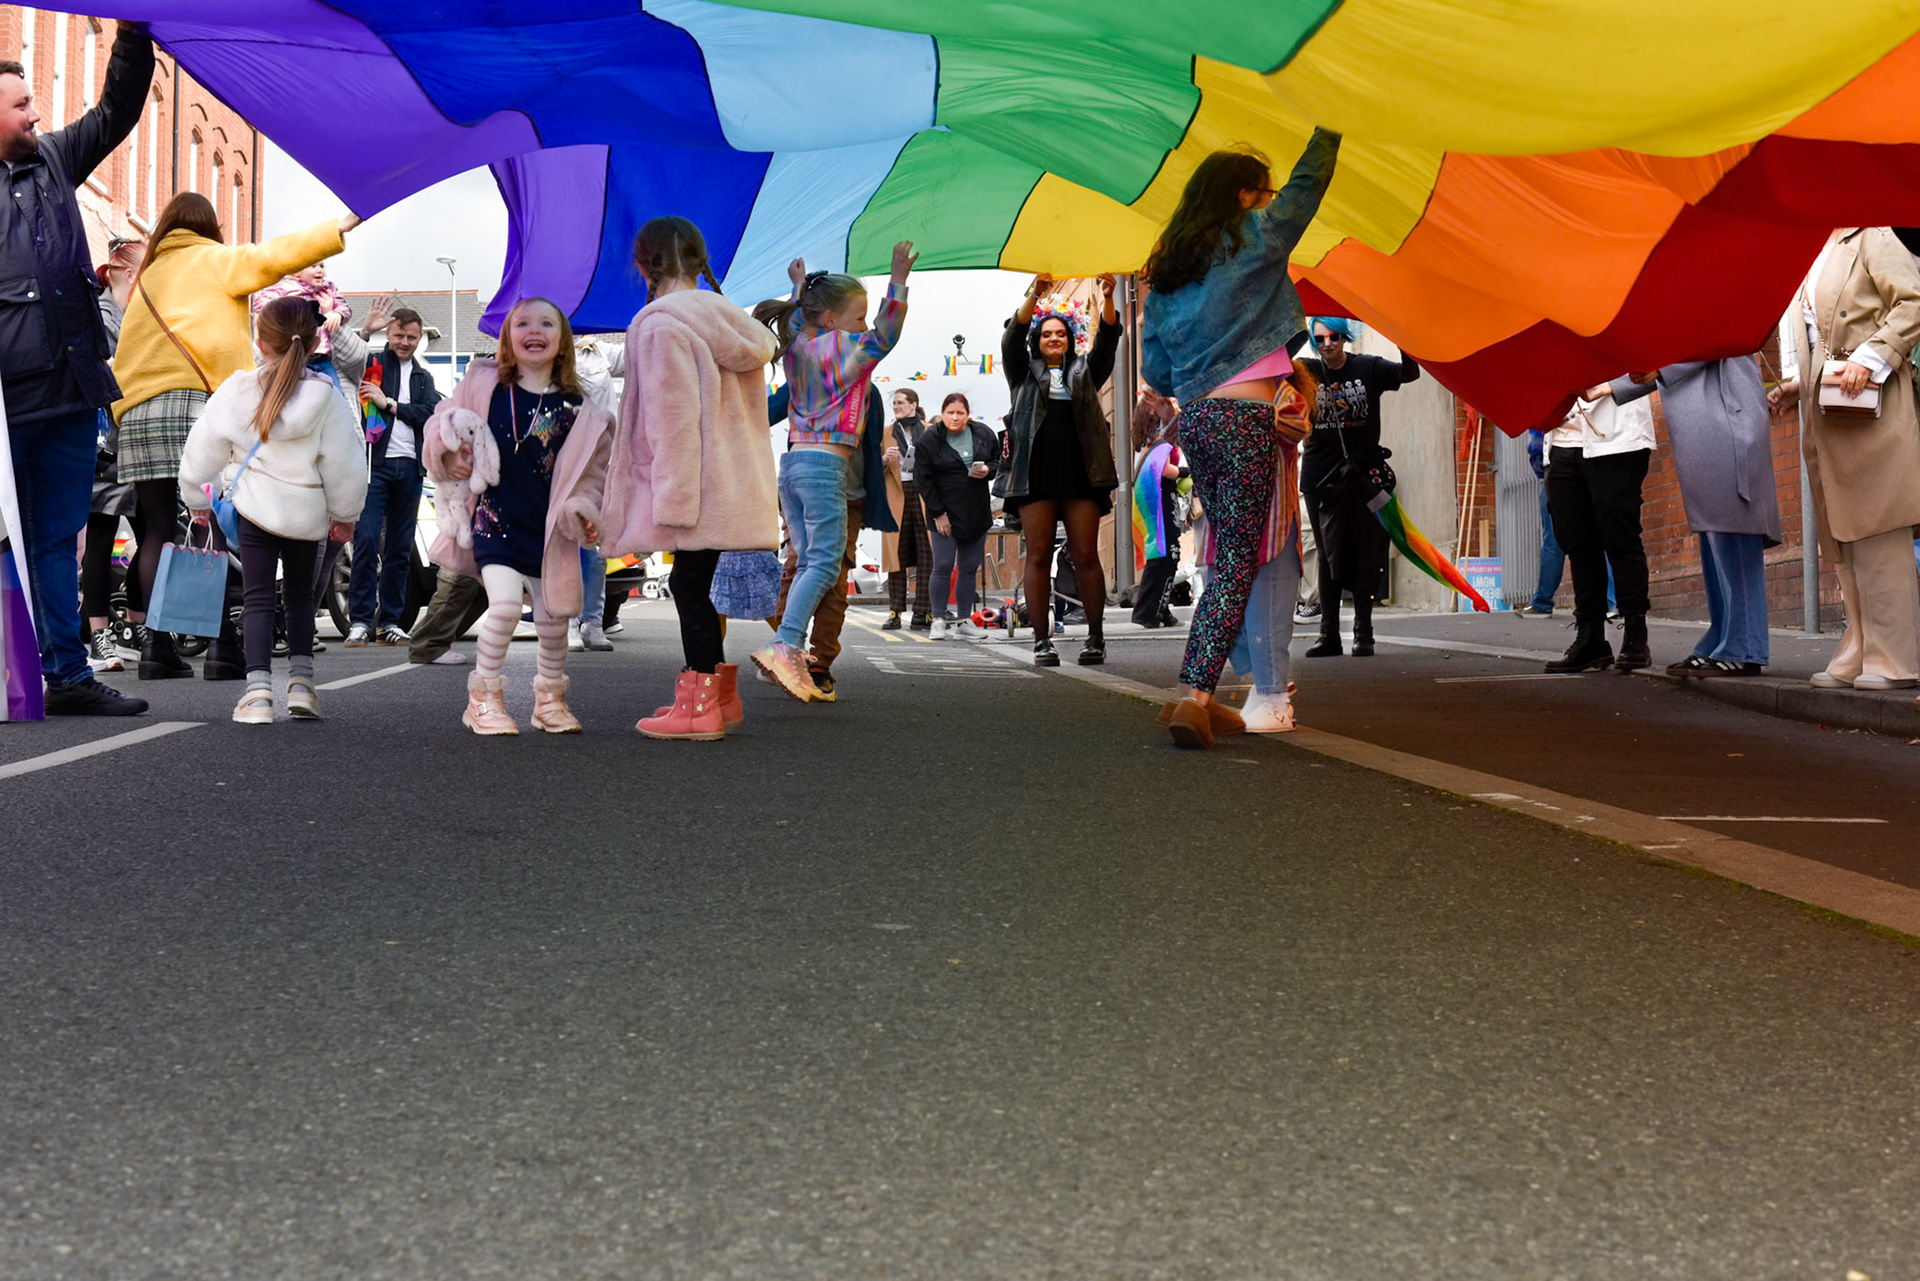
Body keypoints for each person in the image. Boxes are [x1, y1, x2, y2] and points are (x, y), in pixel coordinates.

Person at [1141, 127, 1341, 748]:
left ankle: (1206, 695)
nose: (1272, 200)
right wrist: (1329, 126)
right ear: (1243, 195)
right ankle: (1195, 695)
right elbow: (1309, 189)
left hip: (1198, 421)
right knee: (1237, 563)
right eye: (1264, 192)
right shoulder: (1255, 235)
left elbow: (1156, 371)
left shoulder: (1169, 272)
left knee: (1229, 554)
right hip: (1251, 419)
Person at [113, 191, 359, 682]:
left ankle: (156, 649)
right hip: (195, 400)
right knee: (218, 523)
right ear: (209, 226)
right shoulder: (214, 260)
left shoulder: (147, 277)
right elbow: (273, 256)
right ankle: (223, 647)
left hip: (139, 410)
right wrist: (340, 227)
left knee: (157, 529)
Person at [1, 24, 154, 716]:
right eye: (22, 103)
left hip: (68, 389)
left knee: (58, 537)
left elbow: (117, 110)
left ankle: (64, 674)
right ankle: (16, 672)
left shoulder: (57, 159)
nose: (37, 113)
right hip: (6, 402)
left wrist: (132, 27)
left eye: (34, 100)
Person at [599, 216, 780, 739]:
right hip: (736, 482)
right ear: (701, 261)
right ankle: (719, 700)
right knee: (696, 585)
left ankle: (700, 708)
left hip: (695, 485)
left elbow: (671, 420)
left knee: (689, 585)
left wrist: (673, 504)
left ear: (642, 264)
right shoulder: (731, 319)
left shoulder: (659, 324)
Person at [423, 298, 612, 735]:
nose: (534, 330)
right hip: (494, 521)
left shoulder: (579, 410)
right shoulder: (485, 386)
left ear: (562, 341)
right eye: (522, 322)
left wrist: (583, 509)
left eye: (547, 323)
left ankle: (549, 700)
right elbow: (441, 422)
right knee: (505, 607)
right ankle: (483, 698)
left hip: (549, 533)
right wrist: (447, 455)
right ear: (507, 337)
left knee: (553, 623)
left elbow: (591, 476)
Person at [177, 297, 367, 724]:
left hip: (254, 509)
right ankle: (302, 686)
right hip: (308, 512)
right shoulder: (326, 396)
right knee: (301, 599)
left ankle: (258, 694)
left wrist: (197, 499)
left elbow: (203, 447)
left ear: (260, 342)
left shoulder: (238, 390)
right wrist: (345, 514)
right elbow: (344, 461)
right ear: (318, 340)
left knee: (258, 599)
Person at [749, 243, 916, 702]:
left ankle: (788, 648)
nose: (864, 325)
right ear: (830, 320)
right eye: (857, 316)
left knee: (807, 562)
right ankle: (785, 647)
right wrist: (898, 278)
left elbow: (798, 320)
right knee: (825, 564)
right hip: (826, 467)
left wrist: (798, 288)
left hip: (794, 467)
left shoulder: (797, 349)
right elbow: (888, 332)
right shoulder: (851, 350)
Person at [1770, 226, 1920, 691]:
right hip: (1832, 408)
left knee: (1878, 529)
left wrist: (1873, 355)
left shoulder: (1871, 234)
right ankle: (1860, 646)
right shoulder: (1813, 247)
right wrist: (1798, 386)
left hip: (1873, 404)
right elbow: (1823, 338)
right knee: (1843, 538)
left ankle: (1896, 657)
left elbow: (1914, 301)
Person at [1000, 275, 1122, 666]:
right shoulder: (1021, 372)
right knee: (1037, 555)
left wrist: (1107, 299)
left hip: (1081, 475)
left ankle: (1096, 637)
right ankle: (1041, 640)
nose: (1054, 339)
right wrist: (1036, 296)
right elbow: (1009, 339)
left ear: (1070, 339)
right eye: (1047, 334)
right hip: (1034, 475)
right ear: (1037, 340)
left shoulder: (1086, 372)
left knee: (1085, 554)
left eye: (1061, 334)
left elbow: (1107, 342)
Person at [1647, 358, 1781, 678]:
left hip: (1725, 414)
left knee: (1732, 530)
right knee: (1715, 534)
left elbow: (1710, 337)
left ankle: (1743, 645)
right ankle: (1722, 636)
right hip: (1710, 415)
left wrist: (1652, 371)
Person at [764, 380, 897, 700]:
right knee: (797, 566)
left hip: (848, 496)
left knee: (835, 578)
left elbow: (871, 444)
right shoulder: (803, 378)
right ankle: (785, 652)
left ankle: (820, 664)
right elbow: (762, 414)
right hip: (804, 489)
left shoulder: (868, 389)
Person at [1296, 316, 1421, 658]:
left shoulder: (1368, 367)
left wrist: (1401, 336)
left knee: (1365, 550)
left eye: (1334, 337)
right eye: (1319, 338)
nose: (1327, 344)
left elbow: (1410, 374)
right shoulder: (1305, 370)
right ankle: (1329, 635)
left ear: (1345, 337)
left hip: (1362, 474)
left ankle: (1363, 633)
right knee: (1327, 554)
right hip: (1320, 476)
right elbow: (1276, 365)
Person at [1542, 375, 1657, 673]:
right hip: (1562, 439)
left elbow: (1653, 368)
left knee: (1621, 538)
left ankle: (1635, 635)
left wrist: (1608, 387)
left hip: (1617, 437)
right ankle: (1591, 638)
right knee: (1577, 544)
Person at [343, 306, 440, 647]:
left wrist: (390, 404)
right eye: (399, 335)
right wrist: (365, 332)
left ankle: (390, 621)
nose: (405, 342)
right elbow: (346, 363)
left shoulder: (423, 377)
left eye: (412, 337)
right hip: (375, 466)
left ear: (419, 338)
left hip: (412, 468)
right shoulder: (372, 364)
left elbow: (430, 413)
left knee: (400, 548)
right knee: (367, 541)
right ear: (390, 333)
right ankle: (359, 620)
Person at [82, 236, 145, 673]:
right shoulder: (103, 316)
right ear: (126, 274)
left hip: (138, 439)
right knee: (102, 540)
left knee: (156, 530)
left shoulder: (136, 316)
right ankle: (100, 630)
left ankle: (136, 622)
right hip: (107, 443)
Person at [916, 392, 999, 638]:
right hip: (943, 510)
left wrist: (987, 470)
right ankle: (938, 619)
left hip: (976, 509)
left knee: (969, 567)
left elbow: (998, 461)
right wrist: (938, 514)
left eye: (960, 413)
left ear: (967, 415)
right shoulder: (929, 440)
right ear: (942, 414)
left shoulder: (983, 433)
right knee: (942, 566)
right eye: (950, 413)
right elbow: (923, 480)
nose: (955, 417)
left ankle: (964, 620)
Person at [1129, 389, 1186, 628]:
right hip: (1162, 498)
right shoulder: (1158, 440)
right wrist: (1186, 471)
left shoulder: (1143, 443)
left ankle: (1160, 609)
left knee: (1163, 553)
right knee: (1166, 552)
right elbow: (1163, 469)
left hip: (1153, 499)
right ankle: (1148, 611)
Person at [883, 388, 933, 631]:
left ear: (913, 404)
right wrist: (883, 459)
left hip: (924, 493)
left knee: (927, 554)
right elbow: (872, 470)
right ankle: (895, 611)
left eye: (900, 403)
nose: (896, 407)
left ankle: (923, 610)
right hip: (896, 494)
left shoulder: (930, 430)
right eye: (894, 403)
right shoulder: (886, 433)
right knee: (896, 556)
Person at [250, 261, 351, 364]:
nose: (320, 270)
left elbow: (343, 306)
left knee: (330, 378)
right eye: (313, 266)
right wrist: (281, 309)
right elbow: (260, 303)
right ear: (297, 271)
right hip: (292, 349)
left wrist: (338, 314)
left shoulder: (327, 288)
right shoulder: (285, 286)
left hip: (322, 350)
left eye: (322, 266)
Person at [1512, 428, 1565, 617]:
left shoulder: (1542, 401)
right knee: (1598, 535)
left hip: (1555, 467)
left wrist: (1540, 470)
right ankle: (1612, 602)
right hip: (1591, 462)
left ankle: (1542, 602)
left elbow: (1536, 439)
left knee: (1554, 538)